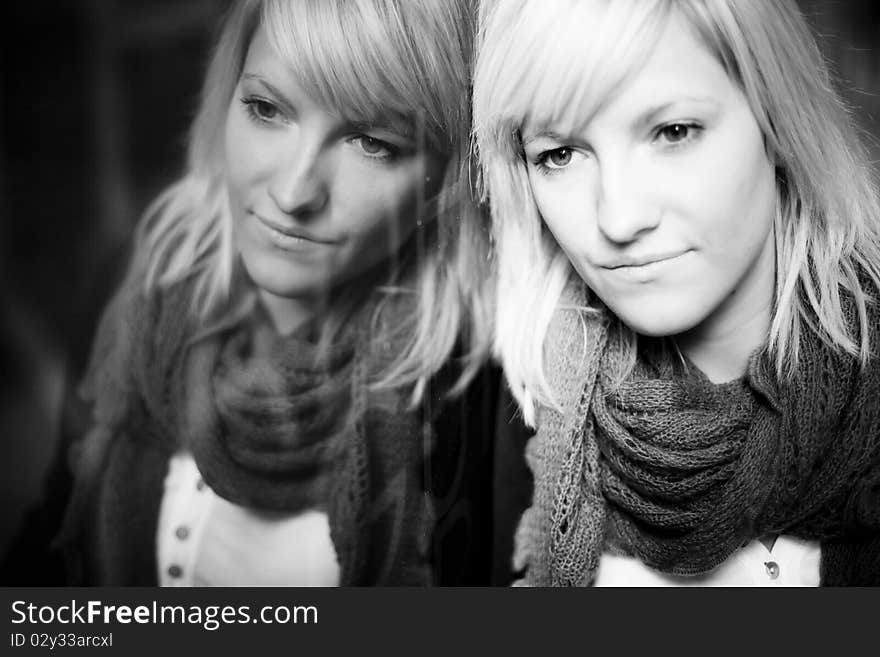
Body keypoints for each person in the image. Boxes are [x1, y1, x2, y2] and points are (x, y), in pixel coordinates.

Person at [35, 0, 492, 586]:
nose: (294, 190)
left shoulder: (476, 393)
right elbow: (46, 550)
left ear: (449, 175)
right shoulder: (138, 283)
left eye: (373, 142)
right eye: (266, 108)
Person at [474, 0, 880, 585]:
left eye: (673, 131)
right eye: (559, 154)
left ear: (778, 117)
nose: (618, 218)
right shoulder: (529, 409)